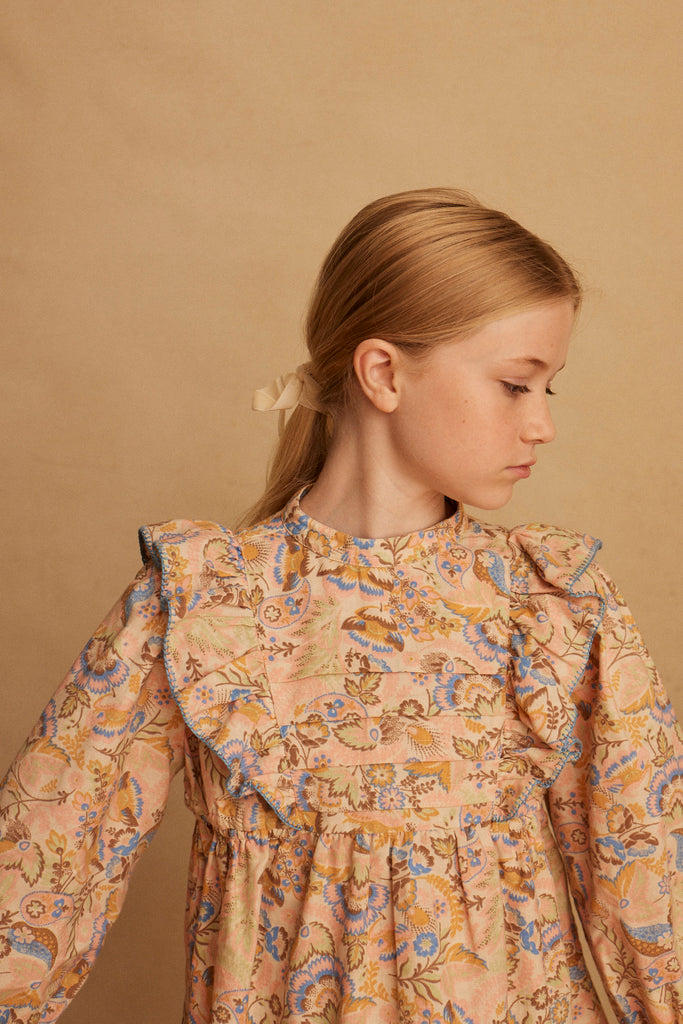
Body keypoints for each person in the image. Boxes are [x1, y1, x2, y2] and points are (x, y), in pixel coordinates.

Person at [1, 188, 681, 1024]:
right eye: (514, 385)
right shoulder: (203, 602)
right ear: (383, 373)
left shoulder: (552, 607)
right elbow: (43, 871)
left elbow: (653, 887)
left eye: (549, 390)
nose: (540, 424)